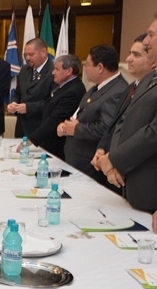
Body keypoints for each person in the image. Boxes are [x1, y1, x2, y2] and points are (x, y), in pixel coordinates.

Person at [93, 18, 157, 217]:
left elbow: (153, 133)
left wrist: (114, 159)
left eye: (151, 35)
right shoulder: (146, 82)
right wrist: (112, 160)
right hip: (132, 186)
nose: (146, 41)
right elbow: (122, 122)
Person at [60, 44, 128, 184]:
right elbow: (82, 115)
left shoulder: (118, 91)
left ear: (100, 67)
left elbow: (106, 129)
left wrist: (76, 129)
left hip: (90, 164)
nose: (84, 69)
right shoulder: (97, 88)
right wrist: (67, 125)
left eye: (87, 65)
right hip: (76, 160)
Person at [24, 54, 86, 160]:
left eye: (57, 69)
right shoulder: (64, 86)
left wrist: (32, 139)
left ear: (69, 71)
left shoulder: (73, 91)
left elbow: (55, 119)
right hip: (50, 144)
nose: (53, 72)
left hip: (58, 148)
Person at [8, 38, 54, 138]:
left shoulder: (54, 72)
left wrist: (28, 108)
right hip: (21, 127)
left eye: (31, 54)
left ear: (43, 52)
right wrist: (14, 103)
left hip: (40, 128)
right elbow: (18, 93)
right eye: (26, 55)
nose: (27, 58)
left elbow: (52, 103)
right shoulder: (24, 69)